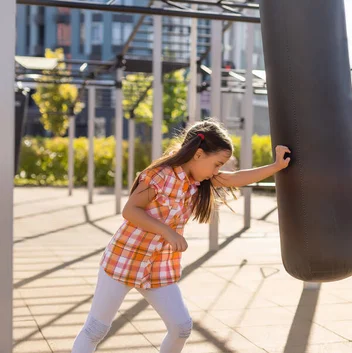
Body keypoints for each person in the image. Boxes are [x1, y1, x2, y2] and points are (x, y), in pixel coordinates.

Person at [72, 120, 290, 353]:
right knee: (96, 330)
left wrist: (276, 166)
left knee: (181, 327)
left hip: (159, 265)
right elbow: (130, 211)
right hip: (124, 258)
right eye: (216, 164)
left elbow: (237, 178)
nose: (217, 172)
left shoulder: (198, 181)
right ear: (198, 154)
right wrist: (167, 231)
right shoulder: (158, 176)